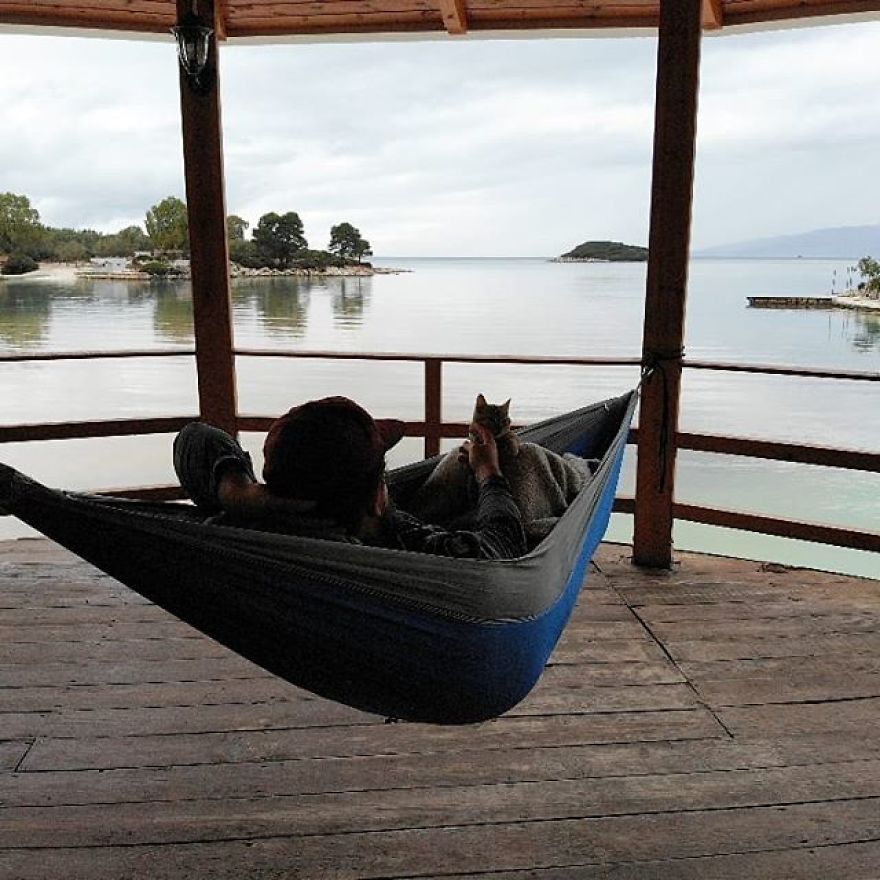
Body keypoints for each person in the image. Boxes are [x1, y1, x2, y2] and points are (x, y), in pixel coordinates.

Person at [173, 395, 526, 559]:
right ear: (377, 499)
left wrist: (242, 494)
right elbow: (502, 547)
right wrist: (488, 471)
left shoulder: (237, 534)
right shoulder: (402, 553)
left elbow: (196, 438)